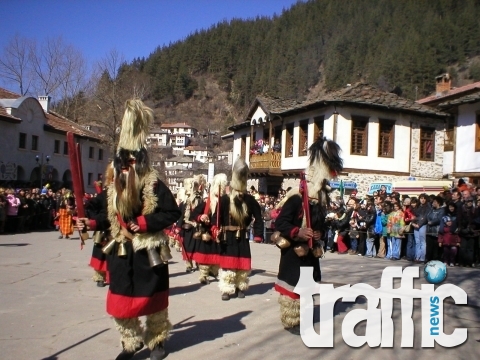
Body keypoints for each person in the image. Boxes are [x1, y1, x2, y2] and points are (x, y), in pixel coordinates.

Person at [77, 99, 181, 360]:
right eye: (125, 163)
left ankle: (157, 342)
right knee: (122, 303)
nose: (128, 168)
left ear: (140, 163)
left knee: (155, 303)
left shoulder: (155, 185)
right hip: (121, 252)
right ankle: (130, 343)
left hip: (149, 252)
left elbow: (172, 212)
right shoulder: (113, 189)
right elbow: (102, 215)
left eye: (133, 163)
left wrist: (145, 223)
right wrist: (89, 223)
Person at [274, 136, 343, 335]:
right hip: (294, 251)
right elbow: (281, 223)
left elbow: (322, 224)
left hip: (311, 252)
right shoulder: (297, 196)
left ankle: (302, 317)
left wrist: (320, 233)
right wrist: (298, 231)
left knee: (307, 288)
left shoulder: (320, 200)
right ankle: (291, 321)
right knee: (293, 289)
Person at [211, 158, 263, 301]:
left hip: (243, 236)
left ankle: (240, 287)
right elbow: (216, 216)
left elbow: (258, 217)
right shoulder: (225, 199)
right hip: (227, 237)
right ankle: (226, 289)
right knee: (227, 265)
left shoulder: (250, 200)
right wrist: (215, 228)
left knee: (242, 264)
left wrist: (258, 234)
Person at [193, 173, 227, 284]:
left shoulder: (225, 202)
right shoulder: (207, 202)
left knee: (217, 254)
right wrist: (201, 217)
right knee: (205, 255)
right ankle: (203, 275)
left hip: (219, 232)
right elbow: (195, 214)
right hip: (207, 231)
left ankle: (214, 271)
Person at [411, 193, 431, 263]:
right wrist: (413, 222)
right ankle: (417, 256)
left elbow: (425, 217)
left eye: (424, 198)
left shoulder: (428, 207)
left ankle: (422, 258)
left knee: (422, 242)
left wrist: (419, 224)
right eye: (421, 198)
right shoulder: (417, 207)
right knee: (417, 242)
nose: (422, 200)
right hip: (415, 225)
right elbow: (414, 216)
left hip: (423, 225)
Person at [425, 196, 445, 262]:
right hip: (429, 230)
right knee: (429, 246)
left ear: (438, 203)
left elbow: (439, 219)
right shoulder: (431, 210)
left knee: (435, 246)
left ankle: (435, 259)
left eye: (434, 202)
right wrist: (428, 221)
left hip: (436, 231)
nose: (433, 203)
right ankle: (428, 258)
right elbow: (427, 216)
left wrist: (432, 222)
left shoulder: (442, 210)